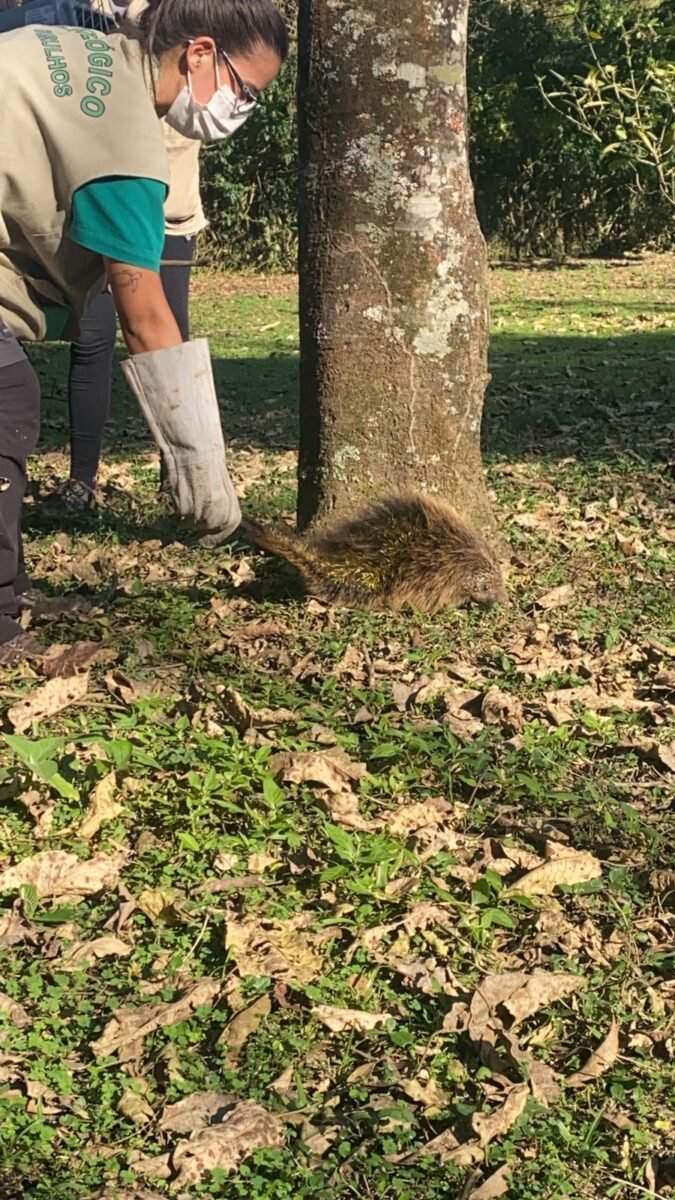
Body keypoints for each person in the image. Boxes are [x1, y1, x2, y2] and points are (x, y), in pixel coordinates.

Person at [0, 0, 287, 664]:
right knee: (6, 402)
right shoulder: (126, 144)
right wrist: (201, 471)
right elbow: (147, 318)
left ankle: (11, 590)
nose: (239, 111)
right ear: (199, 53)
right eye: (243, 91)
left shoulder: (87, 50)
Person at [60, 122, 205, 509]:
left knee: (170, 349)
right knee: (92, 340)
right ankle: (81, 481)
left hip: (172, 223)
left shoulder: (191, 82)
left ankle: (180, 480)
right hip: (104, 214)